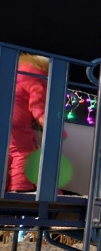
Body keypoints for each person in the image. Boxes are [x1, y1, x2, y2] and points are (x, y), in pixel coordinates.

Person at [6, 54, 50, 192]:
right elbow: (37, 106)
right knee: (24, 151)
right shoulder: (37, 77)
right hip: (16, 119)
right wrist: (47, 123)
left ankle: (4, 185)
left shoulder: (15, 72)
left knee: (7, 152)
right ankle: (20, 187)